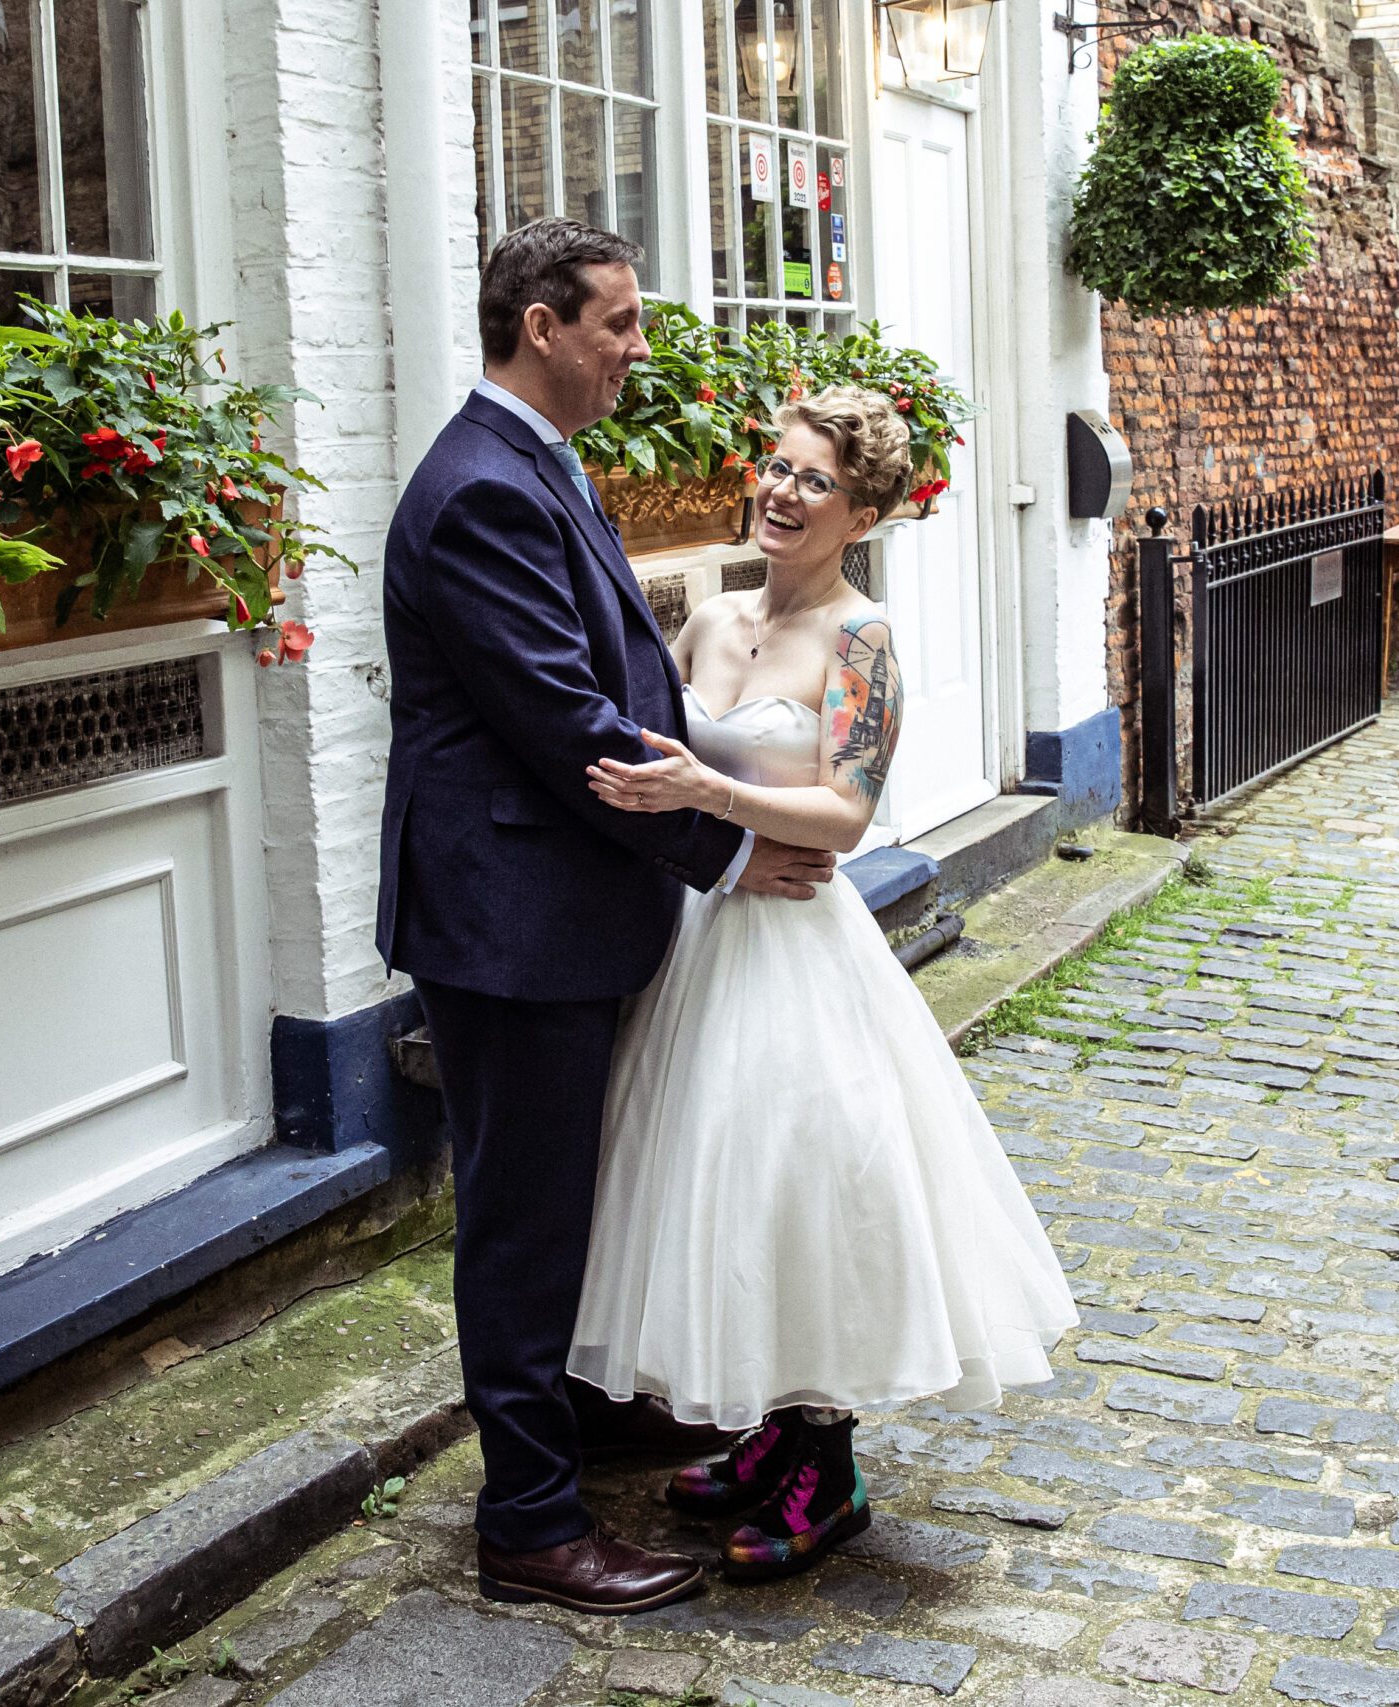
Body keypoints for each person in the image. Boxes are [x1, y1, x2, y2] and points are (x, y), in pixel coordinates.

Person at [376, 218, 840, 1617]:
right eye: (622, 323)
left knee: (575, 1187)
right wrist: (730, 845)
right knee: (521, 1218)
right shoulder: (481, 491)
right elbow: (563, 724)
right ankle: (528, 1517)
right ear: (542, 329)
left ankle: (577, 1413)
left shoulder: (539, 463)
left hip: (566, 904)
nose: (642, 348)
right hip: (510, 916)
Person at [568, 386, 1078, 1582]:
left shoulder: (861, 640)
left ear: (863, 513)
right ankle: (768, 1433)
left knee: (810, 1180)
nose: (781, 493)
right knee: (715, 1181)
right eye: (777, 468)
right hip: (699, 940)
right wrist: (688, 811)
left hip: (796, 948)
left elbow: (844, 815)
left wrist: (717, 800)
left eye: (813, 483)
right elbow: (655, 756)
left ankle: (828, 1464)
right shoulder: (708, 616)